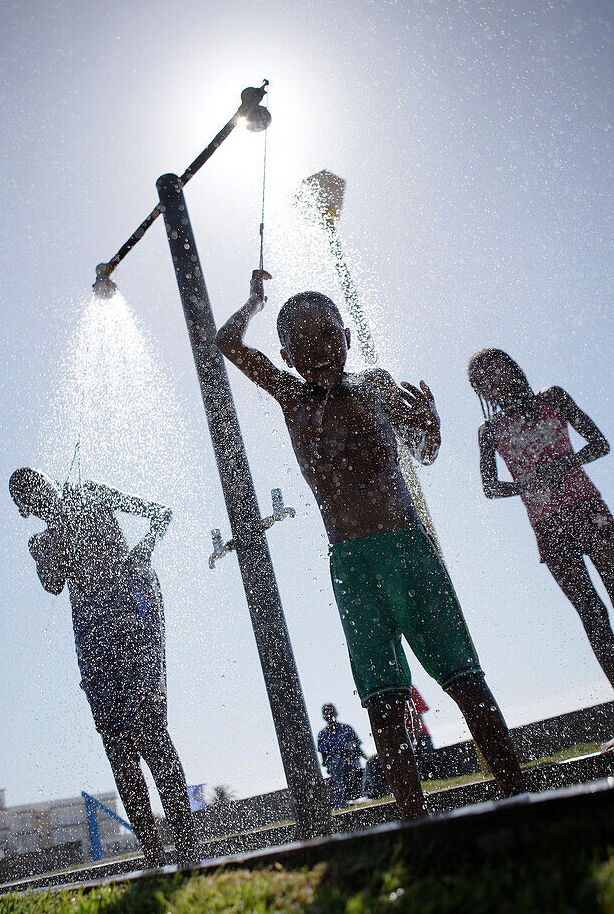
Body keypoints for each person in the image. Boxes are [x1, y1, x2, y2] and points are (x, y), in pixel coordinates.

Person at [216, 271, 524, 820]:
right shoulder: (291, 398)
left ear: (347, 337)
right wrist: (254, 302)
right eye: (302, 346)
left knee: (463, 678)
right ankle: (412, 821)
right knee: (382, 700)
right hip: (351, 565)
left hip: (407, 549)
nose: (317, 353)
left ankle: (516, 795)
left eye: (327, 338)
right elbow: (227, 343)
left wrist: (431, 425)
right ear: (286, 356)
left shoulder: (377, 384)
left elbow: (423, 452)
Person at [9, 467, 199, 868]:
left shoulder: (92, 492)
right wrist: (48, 548)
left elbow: (160, 513)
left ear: (51, 481)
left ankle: (188, 847)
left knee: (151, 734)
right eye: (28, 501)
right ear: (26, 510)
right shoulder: (41, 540)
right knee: (119, 749)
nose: (37, 500)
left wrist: (144, 548)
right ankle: (151, 855)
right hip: (94, 647)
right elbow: (52, 583)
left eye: (37, 486)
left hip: (132, 626)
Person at [468, 349, 614, 690]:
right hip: (547, 527)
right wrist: (525, 485)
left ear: (513, 368)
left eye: (498, 370)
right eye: (484, 380)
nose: (495, 381)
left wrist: (562, 466)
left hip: (589, 510)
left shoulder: (553, 397)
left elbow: (600, 444)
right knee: (592, 615)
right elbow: (489, 487)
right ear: (480, 392)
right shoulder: (489, 430)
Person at [317, 703, 368, 808]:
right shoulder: (322, 735)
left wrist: (368, 759)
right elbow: (324, 758)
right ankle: (341, 802)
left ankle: (362, 796)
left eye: (331, 711)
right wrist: (336, 759)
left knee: (351, 766)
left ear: (335, 712)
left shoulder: (347, 729)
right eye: (326, 713)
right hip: (335, 765)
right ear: (324, 716)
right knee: (337, 764)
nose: (329, 715)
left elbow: (358, 748)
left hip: (352, 761)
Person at [405, 687, 435, 778]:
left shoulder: (408, 688)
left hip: (420, 736)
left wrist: (411, 743)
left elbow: (417, 720)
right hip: (404, 739)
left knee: (420, 761)